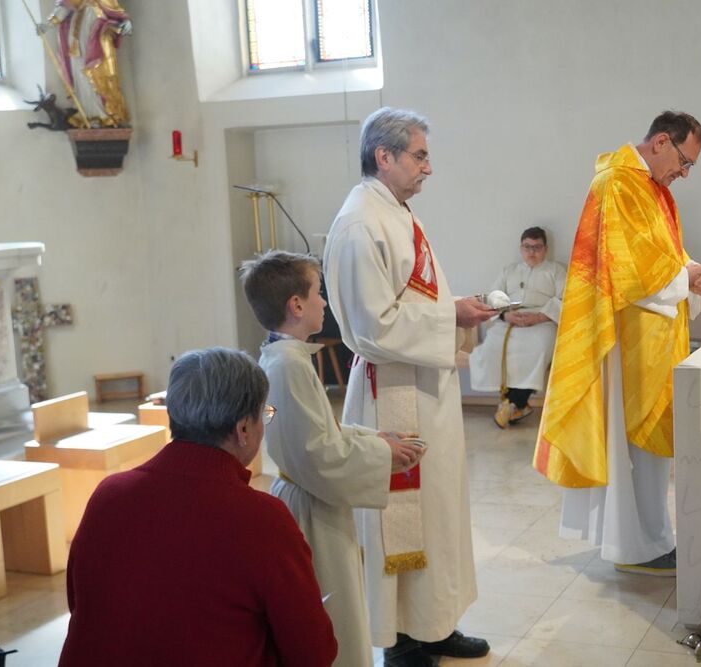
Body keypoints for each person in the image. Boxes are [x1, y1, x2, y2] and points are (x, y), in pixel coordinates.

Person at [322, 107, 496, 667]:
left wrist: (459, 309)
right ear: (385, 156)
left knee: (437, 511)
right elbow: (372, 327)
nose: (428, 167)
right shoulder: (360, 224)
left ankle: (434, 623)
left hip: (426, 385)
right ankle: (400, 638)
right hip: (392, 393)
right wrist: (453, 317)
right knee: (399, 517)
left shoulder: (395, 211)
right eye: (420, 156)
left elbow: (416, 301)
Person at [59, 348, 338, 667]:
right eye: (264, 415)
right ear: (243, 429)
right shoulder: (263, 519)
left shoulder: (108, 496)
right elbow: (313, 653)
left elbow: (80, 604)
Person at [533, 111, 701, 577]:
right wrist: (684, 277)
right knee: (635, 448)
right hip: (628, 339)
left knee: (650, 452)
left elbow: (663, 254)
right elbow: (628, 270)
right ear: (661, 142)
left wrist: (690, 273)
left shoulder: (654, 190)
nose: (684, 173)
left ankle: (653, 538)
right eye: (685, 161)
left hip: (654, 336)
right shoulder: (616, 183)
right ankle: (634, 546)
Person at [239, 250, 424, 667]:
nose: (324, 302)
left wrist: (375, 437)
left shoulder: (285, 358)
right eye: (317, 293)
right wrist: (383, 454)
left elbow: (319, 431)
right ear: (296, 305)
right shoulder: (288, 367)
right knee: (334, 613)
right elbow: (318, 454)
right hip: (312, 508)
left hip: (310, 496)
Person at [469, 226, 566, 428]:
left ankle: (513, 403)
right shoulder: (509, 271)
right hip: (511, 319)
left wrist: (539, 317)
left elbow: (564, 299)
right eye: (527, 247)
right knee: (492, 345)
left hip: (543, 322)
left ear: (545, 249)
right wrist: (506, 314)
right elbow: (494, 297)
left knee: (538, 347)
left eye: (537, 247)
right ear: (521, 248)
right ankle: (516, 405)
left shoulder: (556, 270)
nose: (531, 252)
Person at [38, 0, 132, 128]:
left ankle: (104, 115)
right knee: (79, 72)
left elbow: (113, 8)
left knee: (97, 71)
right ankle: (87, 114)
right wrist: (47, 25)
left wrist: (125, 20)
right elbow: (65, 6)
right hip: (77, 31)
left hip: (96, 29)